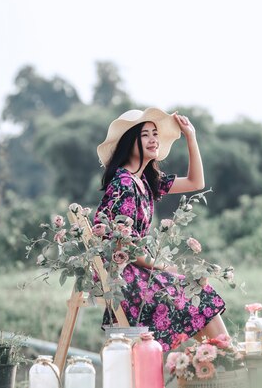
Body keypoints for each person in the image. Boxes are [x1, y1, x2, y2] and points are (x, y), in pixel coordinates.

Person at [95, 107, 228, 351]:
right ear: (129, 141)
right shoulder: (124, 183)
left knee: (198, 292)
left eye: (155, 134)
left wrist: (191, 136)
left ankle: (221, 358)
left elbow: (196, 182)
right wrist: (168, 267)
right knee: (196, 291)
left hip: (137, 268)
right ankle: (225, 357)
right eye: (145, 134)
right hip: (122, 275)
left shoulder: (145, 181)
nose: (154, 139)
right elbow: (127, 249)